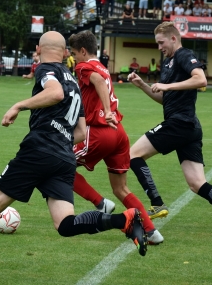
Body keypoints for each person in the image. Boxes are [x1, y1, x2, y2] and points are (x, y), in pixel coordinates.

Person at [0, 31, 148, 283]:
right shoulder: (74, 82)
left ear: (38, 49)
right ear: (65, 52)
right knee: (65, 225)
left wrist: (19, 105)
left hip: (39, 150)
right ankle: (123, 220)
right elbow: (80, 132)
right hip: (63, 158)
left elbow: (55, 93)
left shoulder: (47, 69)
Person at [127, 22, 212, 241]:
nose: (159, 47)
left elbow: (201, 79)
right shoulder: (169, 63)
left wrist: (167, 86)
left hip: (180, 124)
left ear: (173, 38)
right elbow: (165, 99)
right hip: (188, 127)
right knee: (197, 184)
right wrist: (144, 86)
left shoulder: (184, 55)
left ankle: (157, 204)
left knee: (133, 154)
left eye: (161, 42)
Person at [68, 30, 164, 246]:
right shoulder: (102, 65)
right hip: (119, 133)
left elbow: (99, 83)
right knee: (121, 188)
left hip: (100, 131)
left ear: (83, 51)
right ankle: (151, 231)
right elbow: (101, 80)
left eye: (74, 53)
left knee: (59, 166)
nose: (73, 58)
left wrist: (105, 111)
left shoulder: (84, 67)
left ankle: (100, 203)